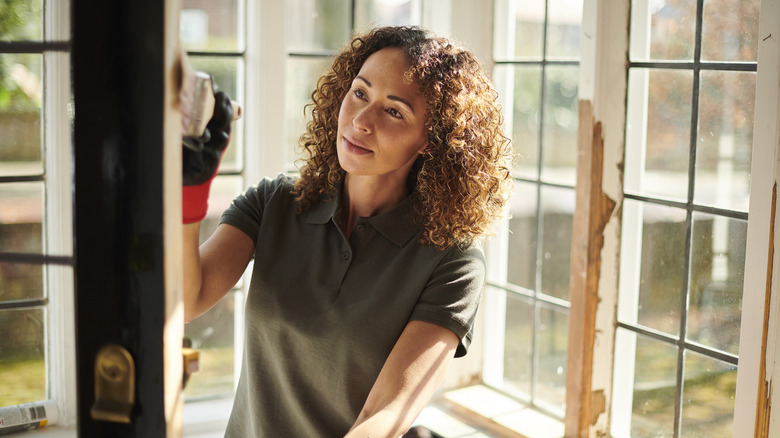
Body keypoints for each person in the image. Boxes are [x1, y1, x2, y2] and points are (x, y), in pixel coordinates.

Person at [180, 26, 513, 437]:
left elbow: (384, 416)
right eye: (360, 93)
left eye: (394, 111)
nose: (361, 120)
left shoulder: (453, 260)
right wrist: (189, 191)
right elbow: (185, 301)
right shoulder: (275, 202)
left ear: (433, 139)